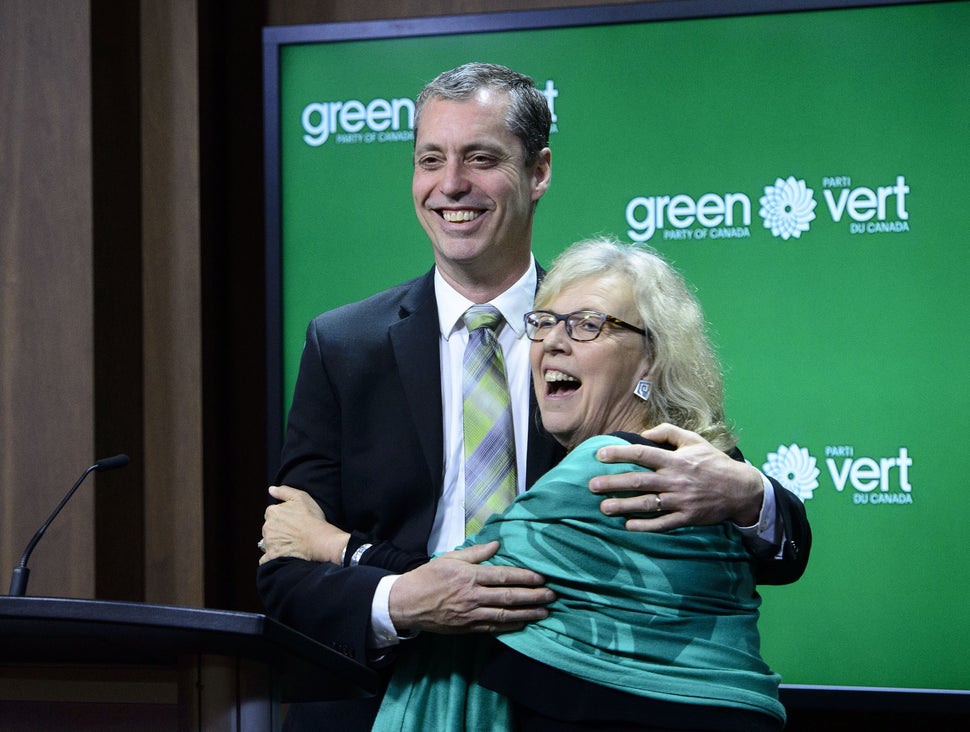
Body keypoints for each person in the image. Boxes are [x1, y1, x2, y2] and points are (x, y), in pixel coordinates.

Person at [257, 62, 810, 730]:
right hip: (384, 703)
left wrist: (751, 496)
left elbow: (753, 532)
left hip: (573, 704)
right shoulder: (343, 346)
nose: (450, 184)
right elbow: (284, 578)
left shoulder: (607, 334)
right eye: (431, 159)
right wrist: (401, 601)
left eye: (481, 158)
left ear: (539, 171)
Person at [266, 237, 788, 731]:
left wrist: (335, 546)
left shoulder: (621, 464)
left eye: (587, 325)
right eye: (543, 323)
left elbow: (481, 585)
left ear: (649, 355)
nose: (554, 341)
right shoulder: (680, 449)